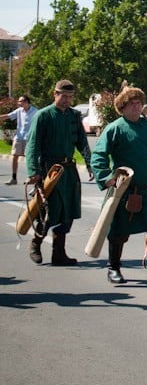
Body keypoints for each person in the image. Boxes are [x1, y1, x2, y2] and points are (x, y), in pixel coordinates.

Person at [91, 85, 147, 283]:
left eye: (139, 103)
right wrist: (107, 177)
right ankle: (113, 268)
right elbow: (98, 155)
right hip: (123, 191)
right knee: (118, 233)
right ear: (122, 107)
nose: (136, 106)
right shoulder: (115, 128)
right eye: (131, 103)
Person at [24, 80, 93, 266]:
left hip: (69, 171)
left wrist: (89, 164)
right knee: (49, 211)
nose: (67, 100)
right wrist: (34, 171)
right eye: (64, 96)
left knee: (68, 212)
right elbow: (33, 146)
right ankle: (36, 244)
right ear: (55, 94)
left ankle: (59, 253)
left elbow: (82, 142)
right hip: (49, 171)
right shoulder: (43, 116)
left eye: (70, 97)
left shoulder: (74, 115)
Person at [1, 95, 38, 185]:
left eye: (20, 101)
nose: (19, 103)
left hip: (29, 138)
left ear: (26, 102)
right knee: (14, 156)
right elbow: (8, 116)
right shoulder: (19, 111)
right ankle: (14, 178)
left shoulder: (35, 111)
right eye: (18, 101)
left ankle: (31, 177)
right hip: (19, 137)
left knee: (29, 158)